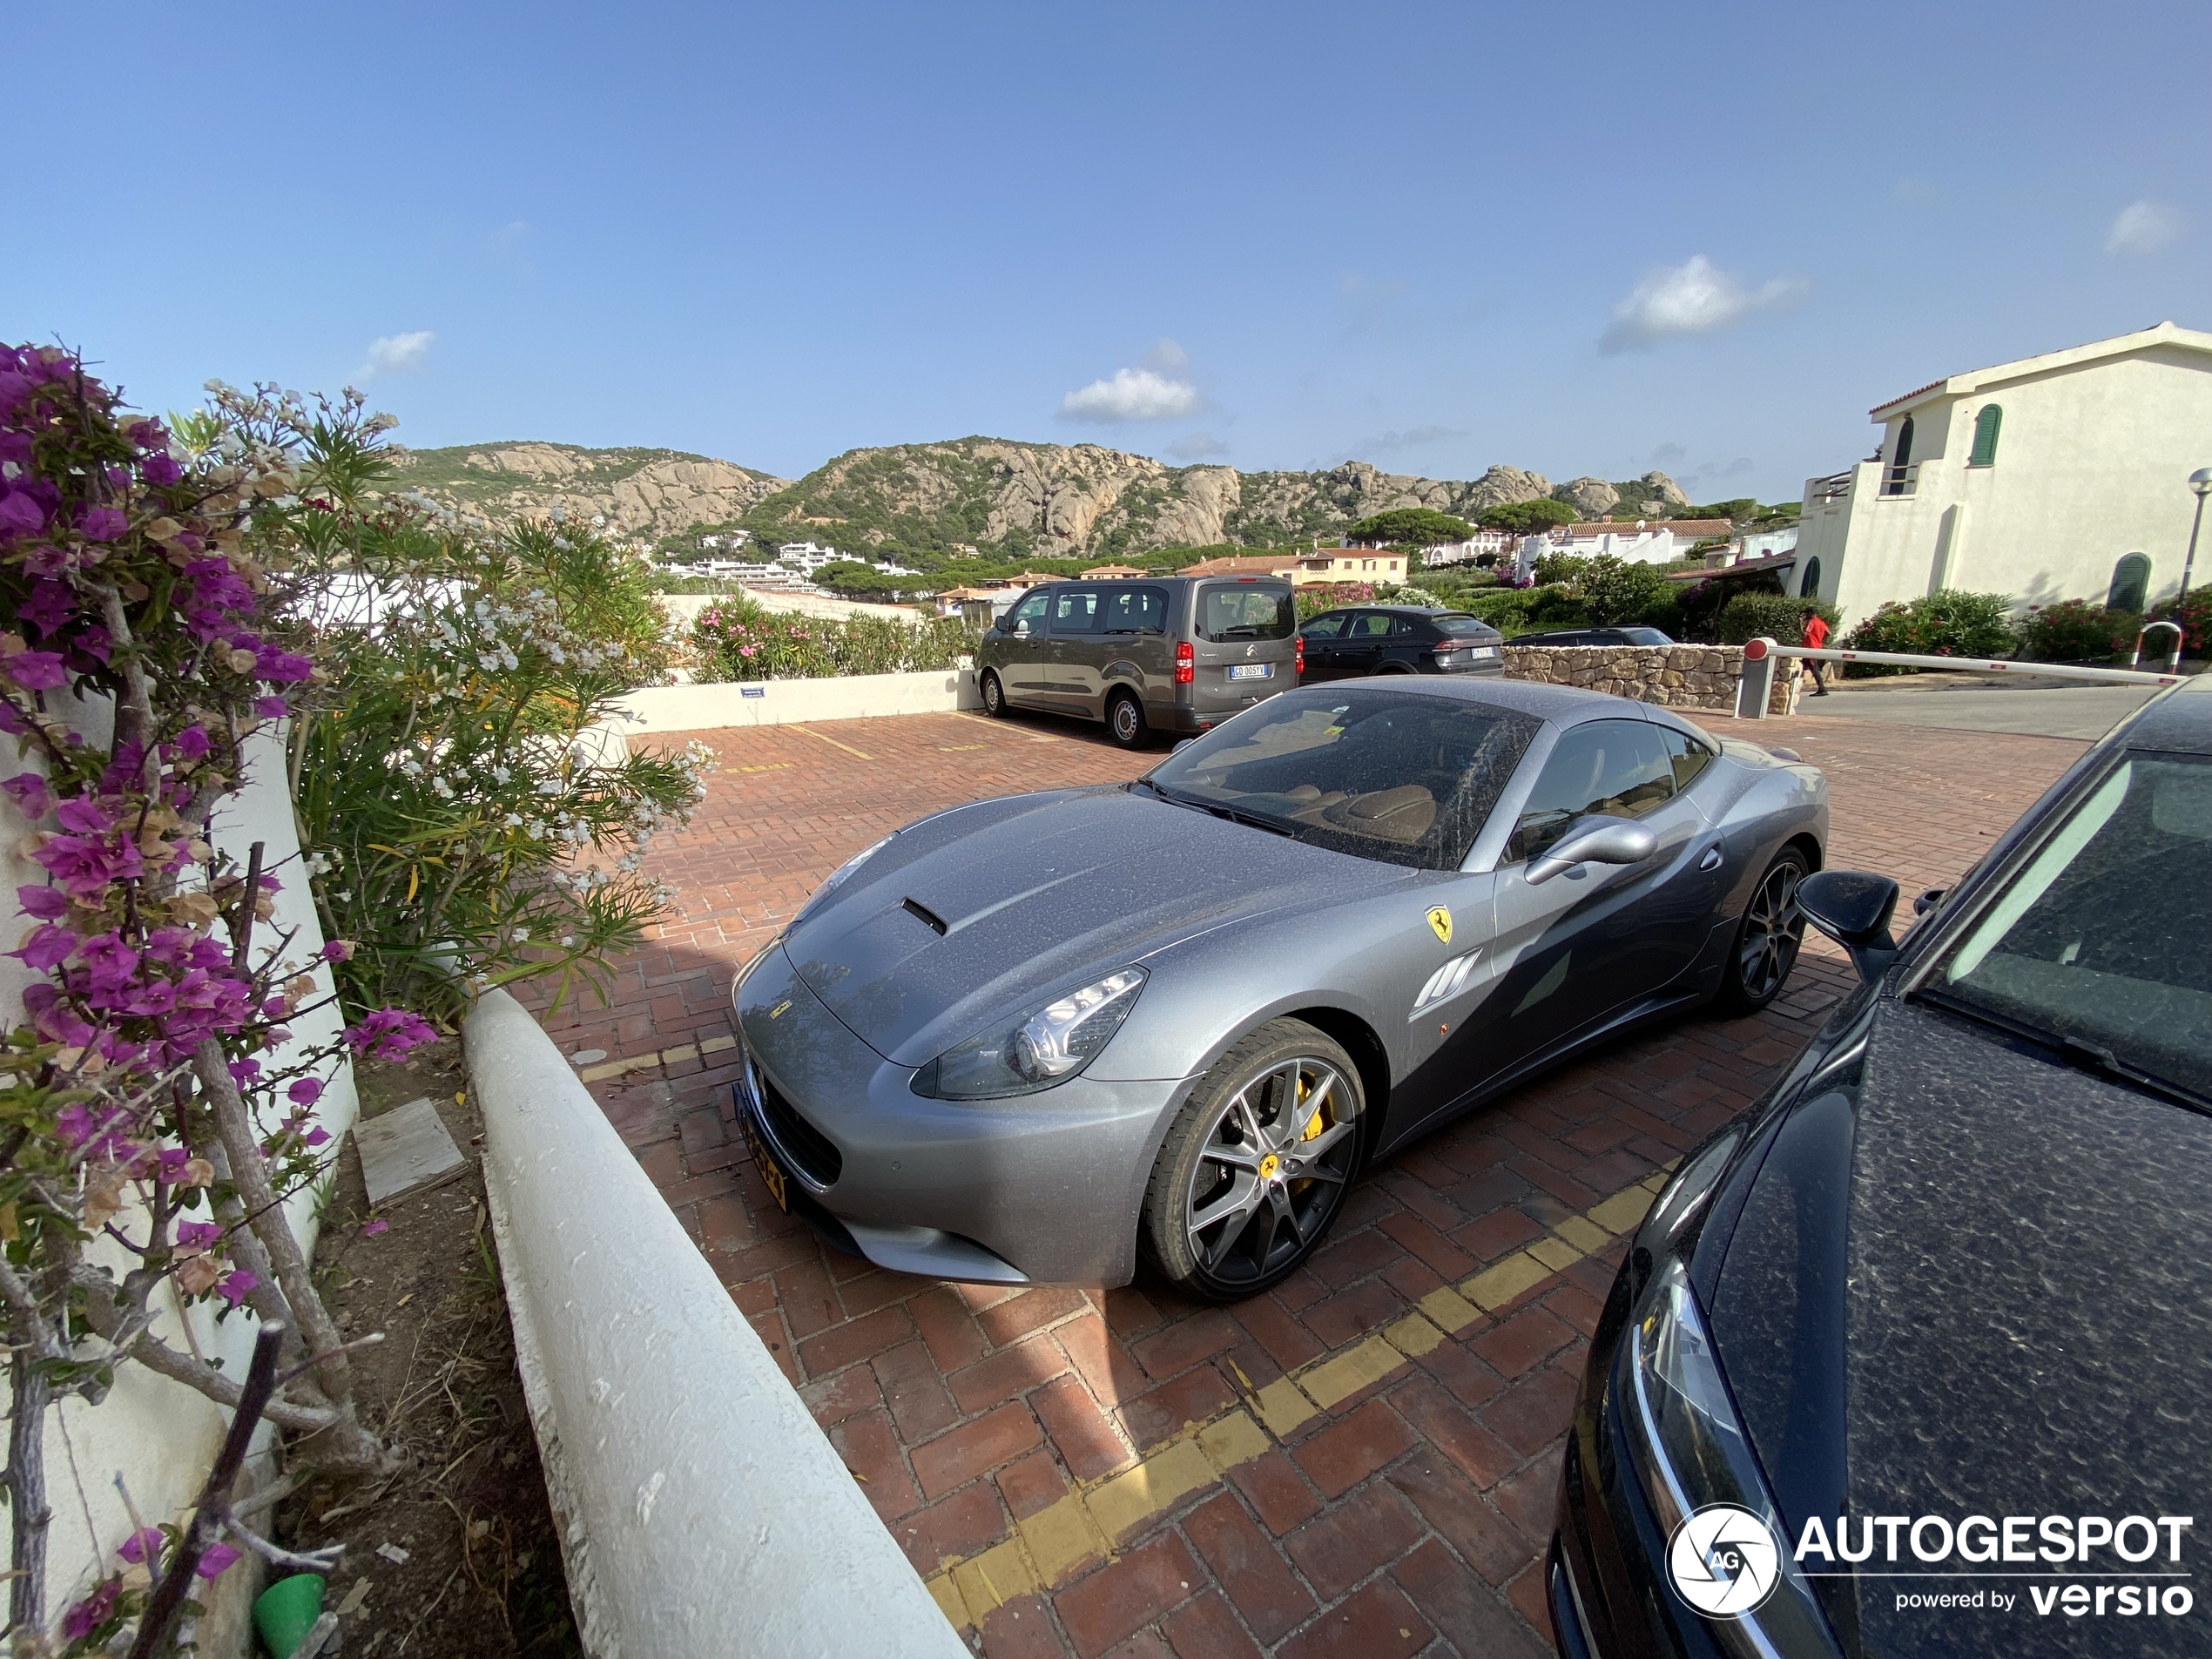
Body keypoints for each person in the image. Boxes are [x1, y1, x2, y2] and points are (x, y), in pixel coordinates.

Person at [1801, 605, 1830, 696]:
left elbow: (1805, 634)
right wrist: (1820, 640)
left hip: (1810, 648)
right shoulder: (1821, 622)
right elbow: (1829, 633)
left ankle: (1822, 689)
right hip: (1817, 646)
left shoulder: (1811, 622)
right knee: (1805, 666)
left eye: (1807, 613)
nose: (1806, 615)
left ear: (1811, 614)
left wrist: (1801, 623)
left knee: (1814, 669)